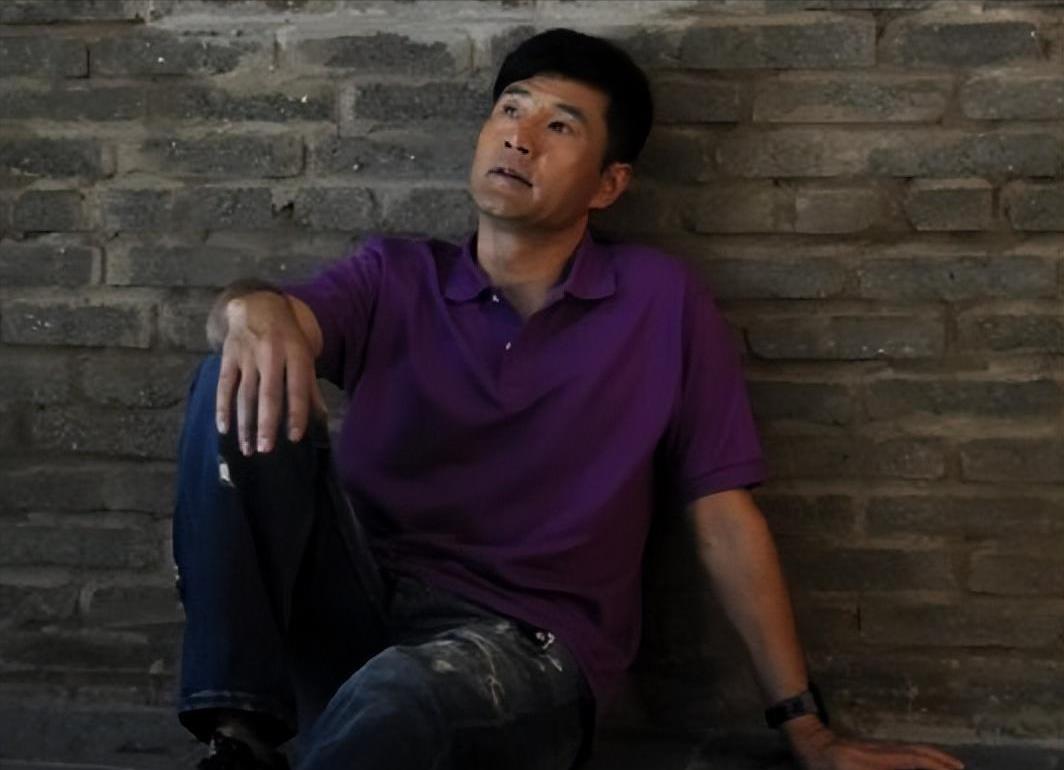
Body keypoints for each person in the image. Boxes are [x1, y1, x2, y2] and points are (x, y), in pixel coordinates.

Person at [172, 28, 966, 770]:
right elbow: (264, 328)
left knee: (398, 701)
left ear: (609, 183)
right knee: (232, 366)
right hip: (362, 606)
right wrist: (251, 309)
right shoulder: (396, 275)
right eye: (510, 110)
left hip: (525, 648)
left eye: (559, 126)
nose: (519, 137)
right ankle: (236, 739)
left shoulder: (660, 302)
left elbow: (724, 518)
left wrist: (807, 729)